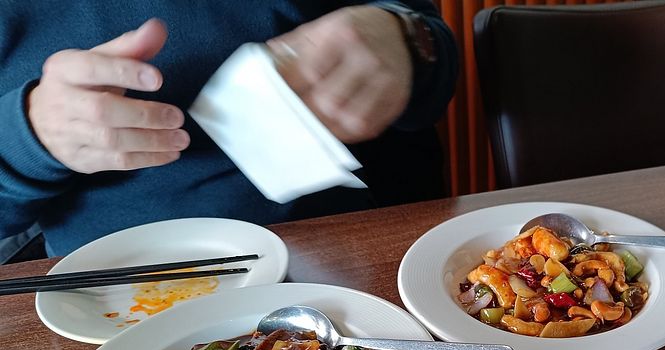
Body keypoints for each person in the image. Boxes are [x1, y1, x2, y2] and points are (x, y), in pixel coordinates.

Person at [0, 2, 457, 258]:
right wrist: (27, 138)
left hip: (351, 251)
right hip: (107, 291)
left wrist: (404, 37)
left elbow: (431, 49)